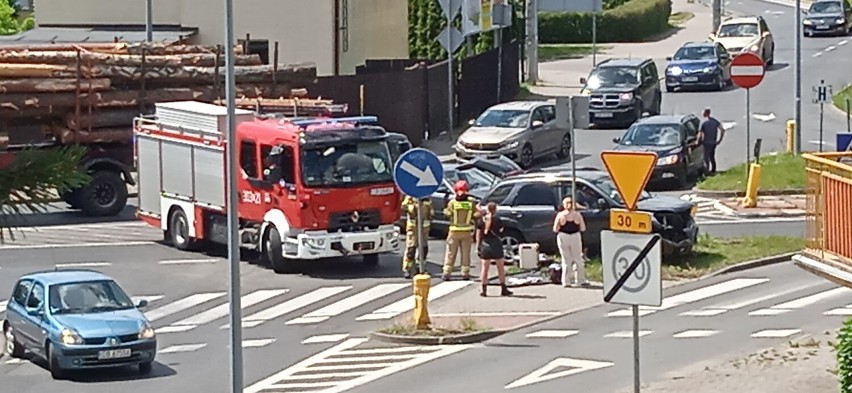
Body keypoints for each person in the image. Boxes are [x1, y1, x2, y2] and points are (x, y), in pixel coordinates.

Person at [442, 180, 477, 281]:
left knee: (450, 253)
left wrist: (445, 209)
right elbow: (476, 215)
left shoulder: (452, 203)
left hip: (454, 232)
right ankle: (465, 273)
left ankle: (447, 273)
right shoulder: (471, 203)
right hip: (467, 232)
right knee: (466, 254)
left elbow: (447, 215)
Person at [476, 202, 513, 297]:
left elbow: (478, 234)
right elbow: (501, 230)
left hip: (485, 243)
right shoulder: (498, 219)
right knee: (500, 267)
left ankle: (484, 290)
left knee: (485, 268)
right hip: (496, 243)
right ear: (495, 209)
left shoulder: (481, 220)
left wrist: (478, 245)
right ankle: (503, 288)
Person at [553, 196, 589, 287]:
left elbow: (555, 229)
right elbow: (583, 228)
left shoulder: (560, 215)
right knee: (578, 259)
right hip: (575, 236)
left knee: (566, 260)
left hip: (563, 236)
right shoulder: (577, 215)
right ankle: (580, 280)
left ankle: (566, 281)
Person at [401, 195, 433, 279]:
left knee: (424, 249)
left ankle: (421, 267)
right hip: (413, 228)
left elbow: (431, 212)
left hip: (424, 228)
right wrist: (411, 208)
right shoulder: (410, 197)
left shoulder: (427, 197)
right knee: (411, 248)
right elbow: (404, 207)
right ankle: (407, 268)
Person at [697, 108, 726, 175]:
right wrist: (720, 140)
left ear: (705, 113)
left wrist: (697, 141)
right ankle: (713, 170)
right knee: (712, 156)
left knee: (706, 157)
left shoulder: (703, 122)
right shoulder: (715, 121)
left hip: (706, 142)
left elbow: (700, 133)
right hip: (713, 142)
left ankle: (707, 171)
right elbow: (722, 130)